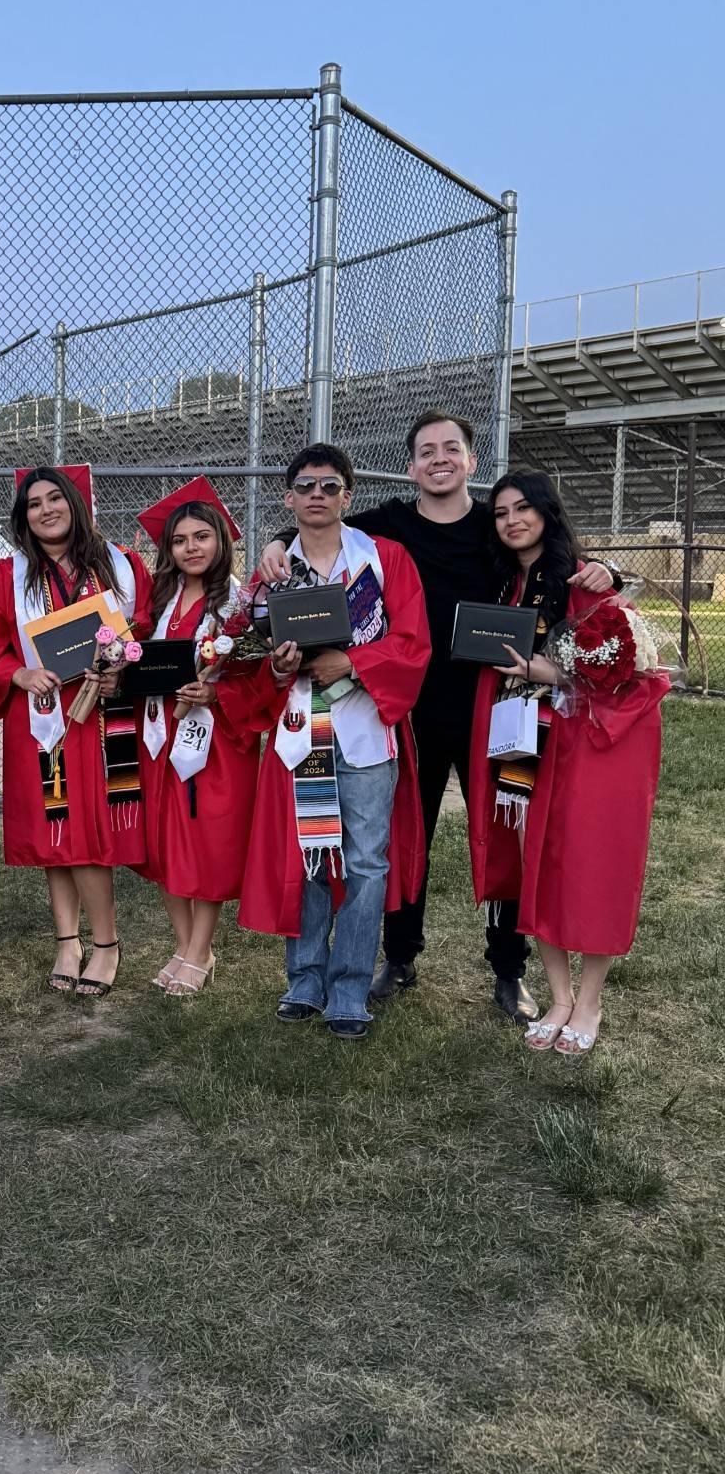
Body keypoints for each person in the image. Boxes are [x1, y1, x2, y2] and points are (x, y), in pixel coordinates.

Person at [255, 410, 618, 1025]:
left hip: (496, 705)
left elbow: (552, 563)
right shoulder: (386, 530)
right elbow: (315, 523)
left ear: (472, 461)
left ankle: (509, 967)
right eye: (427, 451)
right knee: (401, 840)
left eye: (452, 449)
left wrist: (605, 569)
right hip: (403, 711)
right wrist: (271, 543)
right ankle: (398, 958)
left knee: (505, 832)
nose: (440, 459)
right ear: (410, 465)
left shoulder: (495, 525)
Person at [468, 472, 669, 1055]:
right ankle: (558, 995)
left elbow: (629, 670)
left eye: (523, 509)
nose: (512, 521)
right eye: (501, 513)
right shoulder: (503, 583)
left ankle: (590, 998)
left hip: (583, 749)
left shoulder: (585, 581)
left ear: (547, 513)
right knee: (537, 865)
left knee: (592, 866)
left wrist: (550, 673)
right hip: (521, 744)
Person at [239, 445, 430, 1039]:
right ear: (288, 497)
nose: (317, 494)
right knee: (310, 857)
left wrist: (349, 663)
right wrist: (275, 666)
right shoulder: (271, 572)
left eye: (329, 485)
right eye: (305, 485)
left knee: (367, 862)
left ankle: (349, 988)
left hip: (365, 732)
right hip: (301, 733)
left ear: (348, 495)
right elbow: (245, 657)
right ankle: (305, 980)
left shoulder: (383, 559)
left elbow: (412, 639)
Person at [0, 464, 150, 999]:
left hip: (103, 718)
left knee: (87, 837)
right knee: (57, 829)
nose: (46, 509)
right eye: (34, 503)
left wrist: (122, 665)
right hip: (46, 718)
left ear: (76, 505)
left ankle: (105, 944)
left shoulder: (120, 565)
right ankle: (67, 941)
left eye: (56, 498)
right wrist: (20, 673)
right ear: (23, 516)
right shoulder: (6, 575)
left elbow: (143, 625)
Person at [134, 477, 269, 996]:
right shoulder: (158, 599)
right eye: (179, 540)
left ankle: (200, 949)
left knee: (207, 840)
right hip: (159, 734)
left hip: (216, 740)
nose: (190, 548)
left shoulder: (240, 606)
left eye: (201, 537)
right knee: (165, 840)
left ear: (220, 541)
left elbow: (260, 681)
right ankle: (186, 945)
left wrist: (216, 696)